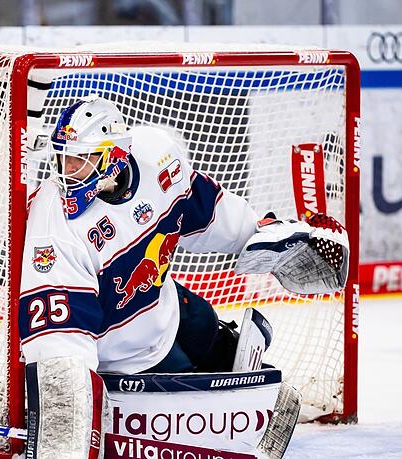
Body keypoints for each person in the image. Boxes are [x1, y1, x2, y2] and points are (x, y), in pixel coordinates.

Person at [19, 94, 349, 459]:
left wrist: (260, 232)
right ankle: (219, 398)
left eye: (82, 159)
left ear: (115, 157)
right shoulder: (53, 226)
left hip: (166, 304)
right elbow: (60, 344)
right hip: (128, 354)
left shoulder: (156, 154)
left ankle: (230, 359)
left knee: (206, 324)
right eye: (65, 158)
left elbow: (203, 210)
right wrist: (67, 418)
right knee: (189, 379)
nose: (69, 170)